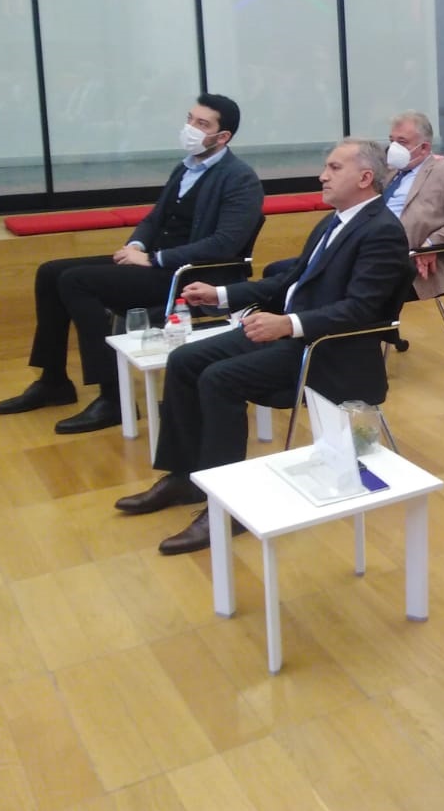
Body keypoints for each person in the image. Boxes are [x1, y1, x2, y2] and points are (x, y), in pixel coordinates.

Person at [112, 139, 413, 555]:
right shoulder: (334, 221)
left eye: (333, 168)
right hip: (293, 334)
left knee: (219, 379)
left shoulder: (382, 232)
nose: (322, 176)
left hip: (328, 351)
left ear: (365, 178)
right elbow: (288, 282)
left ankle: (226, 505)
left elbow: (361, 310)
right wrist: (221, 294)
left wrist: (286, 324)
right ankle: (185, 476)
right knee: (184, 360)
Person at [0, 94, 264, 435]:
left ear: (222, 137)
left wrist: (153, 258)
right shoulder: (185, 167)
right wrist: (136, 245)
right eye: (190, 119)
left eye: (202, 124)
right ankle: (54, 381)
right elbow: (154, 218)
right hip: (155, 265)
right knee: (50, 272)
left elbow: (224, 244)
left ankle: (114, 398)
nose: (190, 129)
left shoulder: (240, 178)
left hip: (191, 277)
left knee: (76, 282)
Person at [382, 111, 444, 301]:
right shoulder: (388, 173)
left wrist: (431, 244)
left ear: (424, 148)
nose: (394, 148)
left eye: (402, 142)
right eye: (391, 141)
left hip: (408, 260)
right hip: (372, 252)